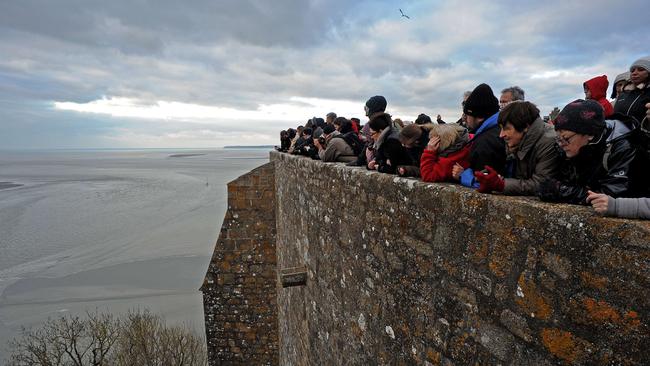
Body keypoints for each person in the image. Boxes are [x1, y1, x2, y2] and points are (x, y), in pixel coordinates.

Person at [539, 99, 638, 204]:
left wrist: (563, 191)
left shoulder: (623, 148)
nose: (561, 144)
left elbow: (611, 195)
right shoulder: (575, 146)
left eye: (565, 138)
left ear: (590, 134)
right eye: (558, 138)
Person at [474, 101, 560, 195]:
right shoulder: (518, 141)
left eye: (506, 128)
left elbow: (542, 184)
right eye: (501, 128)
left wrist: (501, 184)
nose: (501, 135)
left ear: (525, 126)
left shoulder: (548, 142)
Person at [452, 83, 506, 188]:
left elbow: (485, 182)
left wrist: (463, 175)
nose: (465, 119)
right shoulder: (499, 129)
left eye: (467, 115)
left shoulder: (485, 141)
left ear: (479, 117)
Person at [614, 57, 650, 124]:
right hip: (619, 133)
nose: (634, 73)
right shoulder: (624, 93)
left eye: (641, 70)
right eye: (632, 70)